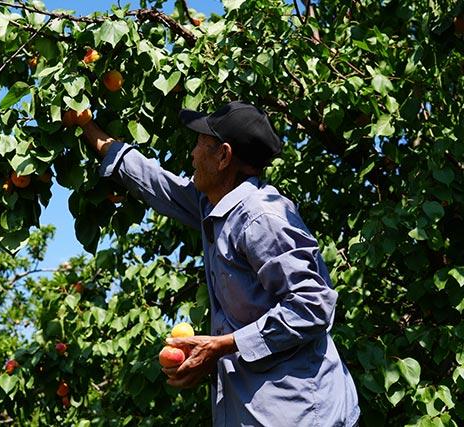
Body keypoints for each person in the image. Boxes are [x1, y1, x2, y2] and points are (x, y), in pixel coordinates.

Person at [81, 101, 360, 426]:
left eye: (200, 144)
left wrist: (222, 345)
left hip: (301, 414)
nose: (193, 155)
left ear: (223, 156)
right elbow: (152, 179)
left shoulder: (261, 217)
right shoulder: (212, 205)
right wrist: (85, 125)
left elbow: (313, 306)